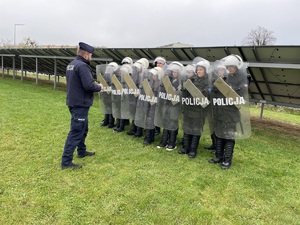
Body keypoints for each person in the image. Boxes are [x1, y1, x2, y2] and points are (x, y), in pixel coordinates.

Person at [61, 42, 103, 169]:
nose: (91, 57)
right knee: (76, 131)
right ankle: (66, 162)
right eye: (90, 55)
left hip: (74, 101)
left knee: (83, 128)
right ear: (86, 54)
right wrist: (99, 87)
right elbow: (88, 85)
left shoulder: (72, 64)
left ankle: (81, 151)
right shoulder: (83, 66)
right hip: (80, 103)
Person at [208, 54, 250, 169]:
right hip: (221, 111)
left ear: (236, 67)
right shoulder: (224, 78)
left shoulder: (243, 79)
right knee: (220, 134)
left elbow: (242, 95)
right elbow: (215, 91)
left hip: (232, 113)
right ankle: (218, 156)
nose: (229, 69)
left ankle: (227, 160)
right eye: (228, 67)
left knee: (229, 137)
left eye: (231, 66)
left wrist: (233, 90)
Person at [178, 58, 211, 158]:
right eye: (198, 69)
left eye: (201, 69)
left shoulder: (208, 82)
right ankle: (185, 147)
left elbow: (208, 97)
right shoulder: (192, 79)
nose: (199, 71)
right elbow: (185, 93)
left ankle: (193, 150)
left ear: (205, 70)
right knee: (187, 128)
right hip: (189, 108)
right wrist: (184, 87)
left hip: (200, 111)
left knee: (196, 130)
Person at [155, 61, 183, 151]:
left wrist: (175, 91)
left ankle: (172, 142)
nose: (174, 73)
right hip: (167, 104)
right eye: (173, 72)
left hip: (175, 106)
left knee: (172, 123)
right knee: (165, 122)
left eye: (176, 72)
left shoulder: (181, 82)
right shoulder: (168, 80)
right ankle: (164, 141)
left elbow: (181, 94)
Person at [153, 56, 167, 135]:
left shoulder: (165, 73)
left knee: (159, 112)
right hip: (154, 94)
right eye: (157, 63)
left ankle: (158, 128)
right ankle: (154, 127)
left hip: (161, 95)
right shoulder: (154, 72)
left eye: (160, 63)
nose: (158, 65)